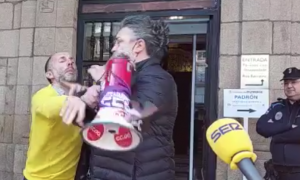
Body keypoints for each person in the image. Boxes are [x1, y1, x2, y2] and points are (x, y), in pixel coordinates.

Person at [62, 15, 178, 180]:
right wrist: (83, 102)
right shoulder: (123, 78)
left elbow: (128, 120)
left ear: (138, 45)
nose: (113, 48)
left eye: (119, 42)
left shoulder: (159, 79)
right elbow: (96, 125)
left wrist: (105, 82)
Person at [23, 52, 99, 180]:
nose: (70, 62)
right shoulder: (42, 96)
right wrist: (78, 101)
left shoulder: (80, 99)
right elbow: (50, 106)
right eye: (62, 60)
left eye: (72, 60)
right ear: (50, 74)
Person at [256, 67, 300, 180]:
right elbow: (261, 127)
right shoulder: (277, 106)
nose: (289, 86)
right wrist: (289, 126)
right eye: (286, 83)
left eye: (294, 82)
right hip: (277, 171)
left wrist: (275, 135)